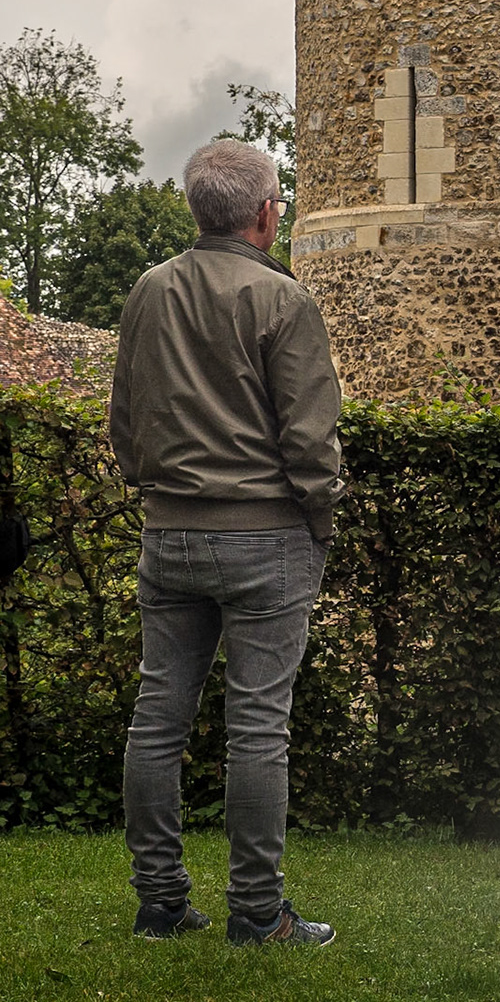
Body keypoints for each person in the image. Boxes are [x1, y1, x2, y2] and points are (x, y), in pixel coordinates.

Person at [110, 139, 343, 946]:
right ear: (265, 214)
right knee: (256, 728)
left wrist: (160, 493)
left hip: (168, 535)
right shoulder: (283, 301)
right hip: (266, 541)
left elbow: (124, 421)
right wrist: (320, 520)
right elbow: (311, 443)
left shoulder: (149, 291)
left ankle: (161, 904)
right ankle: (256, 915)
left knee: (157, 720)